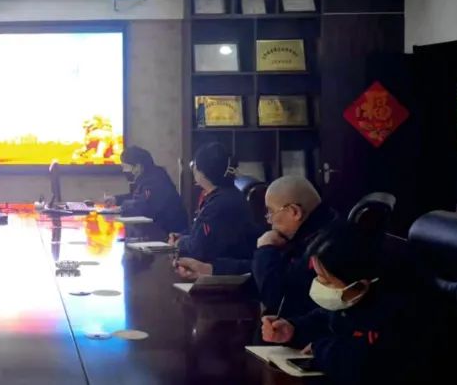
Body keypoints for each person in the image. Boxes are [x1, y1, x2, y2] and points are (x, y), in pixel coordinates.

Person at [260, 223, 430, 384]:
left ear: (360, 285)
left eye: (327, 280)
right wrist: (293, 329)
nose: (319, 283)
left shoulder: (399, 312)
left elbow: (363, 361)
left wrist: (320, 349)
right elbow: (330, 320)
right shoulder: (358, 298)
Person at [251, 175, 343, 317]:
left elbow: (277, 300)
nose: (269, 220)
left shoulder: (321, 248)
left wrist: (266, 250)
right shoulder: (326, 227)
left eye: (271, 212)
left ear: (294, 212)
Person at [170, 142, 258, 277]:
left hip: (226, 276)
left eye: (194, 165)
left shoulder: (220, 204)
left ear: (202, 172)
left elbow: (199, 249)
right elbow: (203, 236)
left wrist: (178, 243)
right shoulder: (224, 195)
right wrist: (184, 237)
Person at [107, 146, 188, 238]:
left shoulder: (156, 180)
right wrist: (116, 199)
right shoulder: (147, 177)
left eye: (125, 167)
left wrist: (122, 207)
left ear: (137, 167)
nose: (123, 171)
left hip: (169, 234)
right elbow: (136, 197)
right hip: (159, 230)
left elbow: (143, 206)